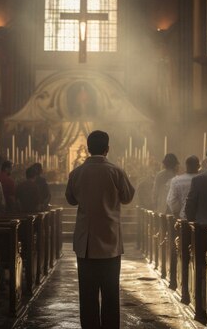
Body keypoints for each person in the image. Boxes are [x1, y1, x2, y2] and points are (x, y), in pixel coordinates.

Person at [65, 130, 135, 329]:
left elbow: (70, 199)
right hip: (110, 240)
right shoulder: (116, 171)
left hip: (86, 242)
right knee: (111, 292)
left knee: (87, 293)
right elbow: (128, 197)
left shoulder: (76, 172)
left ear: (88, 149)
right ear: (107, 148)